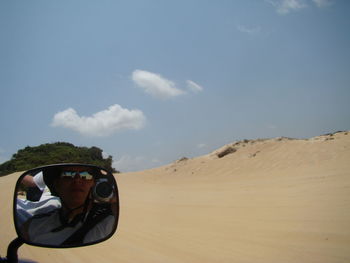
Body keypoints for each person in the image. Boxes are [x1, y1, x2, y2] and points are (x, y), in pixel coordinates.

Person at [21, 165, 117, 246]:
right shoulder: (33, 225)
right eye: (68, 175)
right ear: (56, 184)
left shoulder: (109, 221)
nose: (77, 180)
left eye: (86, 175)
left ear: (93, 184)